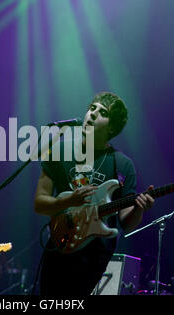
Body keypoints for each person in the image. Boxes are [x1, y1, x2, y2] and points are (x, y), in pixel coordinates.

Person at [34, 91, 155, 295]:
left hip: (94, 255)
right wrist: (69, 201)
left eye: (102, 112)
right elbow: (39, 203)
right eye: (92, 108)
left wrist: (139, 210)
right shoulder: (59, 151)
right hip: (59, 245)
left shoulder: (123, 165)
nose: (92, 114)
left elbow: (126, 222)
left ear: (112, 127)